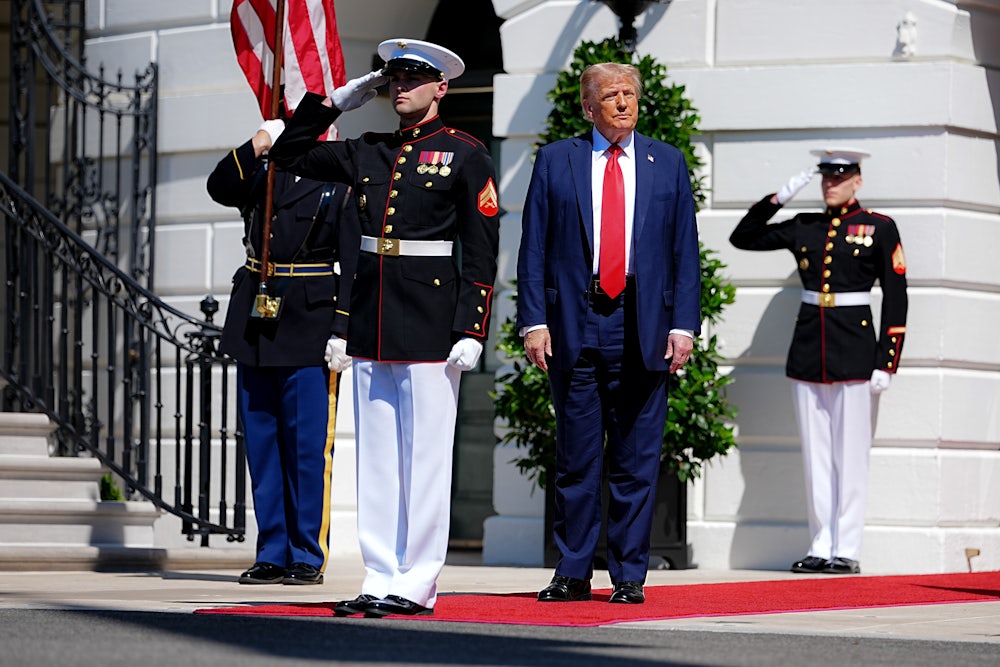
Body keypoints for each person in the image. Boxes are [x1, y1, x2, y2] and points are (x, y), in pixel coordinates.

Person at [261, 38, 499, 616]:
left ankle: (417, 580)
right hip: (371, 317)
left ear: (441, 87)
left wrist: (472, 327)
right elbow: (288, 154)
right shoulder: (366, 150)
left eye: (414, 78)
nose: (400, 87)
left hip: (430, 322)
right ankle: (380, 573)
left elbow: (482, 248)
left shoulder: (465, 154)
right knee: (377, 459)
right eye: (393, 79)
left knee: (424, 460)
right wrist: (337, 100)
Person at [516, 62, 702, 605]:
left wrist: (684, 326)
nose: (623, 103)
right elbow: (534, 248)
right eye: (610, 96)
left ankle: (628, 576)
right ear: (587, 106)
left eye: (629, 94)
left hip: (642, 326)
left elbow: (684, 253)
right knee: (576, 459)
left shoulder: (665, 162)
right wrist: (534, 321)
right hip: (576, 322)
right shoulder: (556, 160)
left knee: (636, 460)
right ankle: (572, 571)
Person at [729, 148, 908, 575]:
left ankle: (846, 548)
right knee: (817, 455)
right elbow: (743, 237)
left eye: (840, 178)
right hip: (810, 349)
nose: (831, 185)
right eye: (826, 178)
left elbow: (897, 297)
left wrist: (887, 361)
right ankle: (820, 543)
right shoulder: (804, 226)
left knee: (850, 455)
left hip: (856, 353)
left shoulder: (879, 228)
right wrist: (780, 197)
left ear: (857, 181)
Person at [207, 117, 360, 585]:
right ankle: (271, 550)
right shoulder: (261, 176)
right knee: (263, 445)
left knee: (307, 449)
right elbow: (219, 185)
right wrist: (255, 143)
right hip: (257, 319)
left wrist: (343, 329)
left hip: (309, 321)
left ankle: (305, 553)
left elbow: (353, 263)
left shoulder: (338, 185)